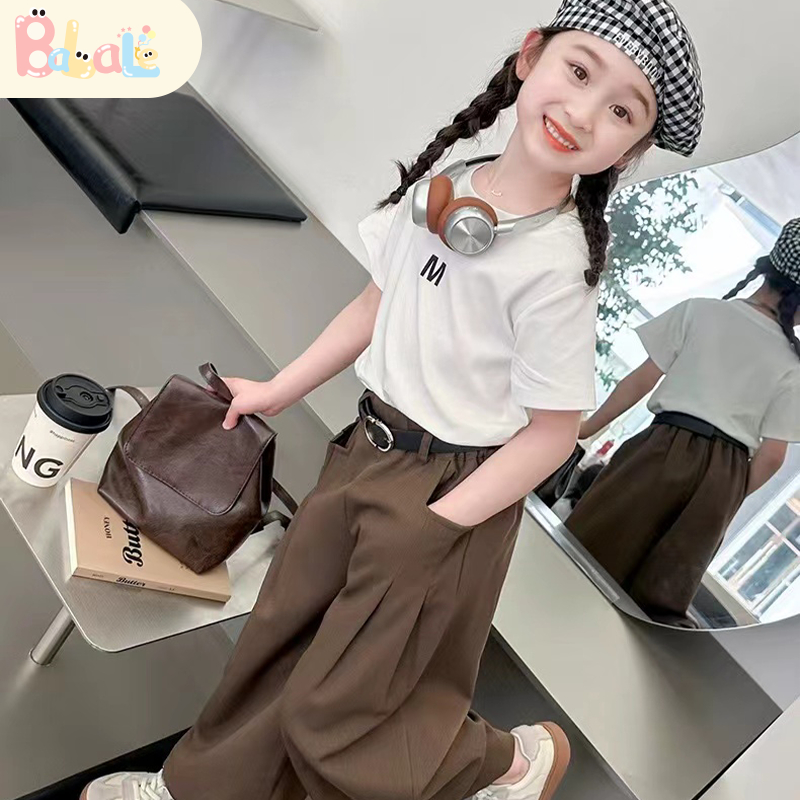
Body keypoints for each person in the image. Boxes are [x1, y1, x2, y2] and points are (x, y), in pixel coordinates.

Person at [81, 2, 704, 799]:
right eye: (579, 71)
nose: (584, 112)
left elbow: (552, 437)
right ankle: (189, 790)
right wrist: (275, 389)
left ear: (632, 149)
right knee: (278, 636)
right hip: (365, 450)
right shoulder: (445, 189)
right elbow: (372, 306)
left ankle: (504, 765)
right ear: (530, 56)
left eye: (622, 111)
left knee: (337, 709)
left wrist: (439, 524)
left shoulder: (558, 268)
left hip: (450, 491)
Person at [567, 218, 800, 628]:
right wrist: (726, 494)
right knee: (658, 600)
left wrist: (586, 428)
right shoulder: (793, 364)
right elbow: (772, 456)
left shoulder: (703, 311)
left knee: (588, 550)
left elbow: (641, 380)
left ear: (767, 269)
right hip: (726, 474)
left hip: (660, 447)